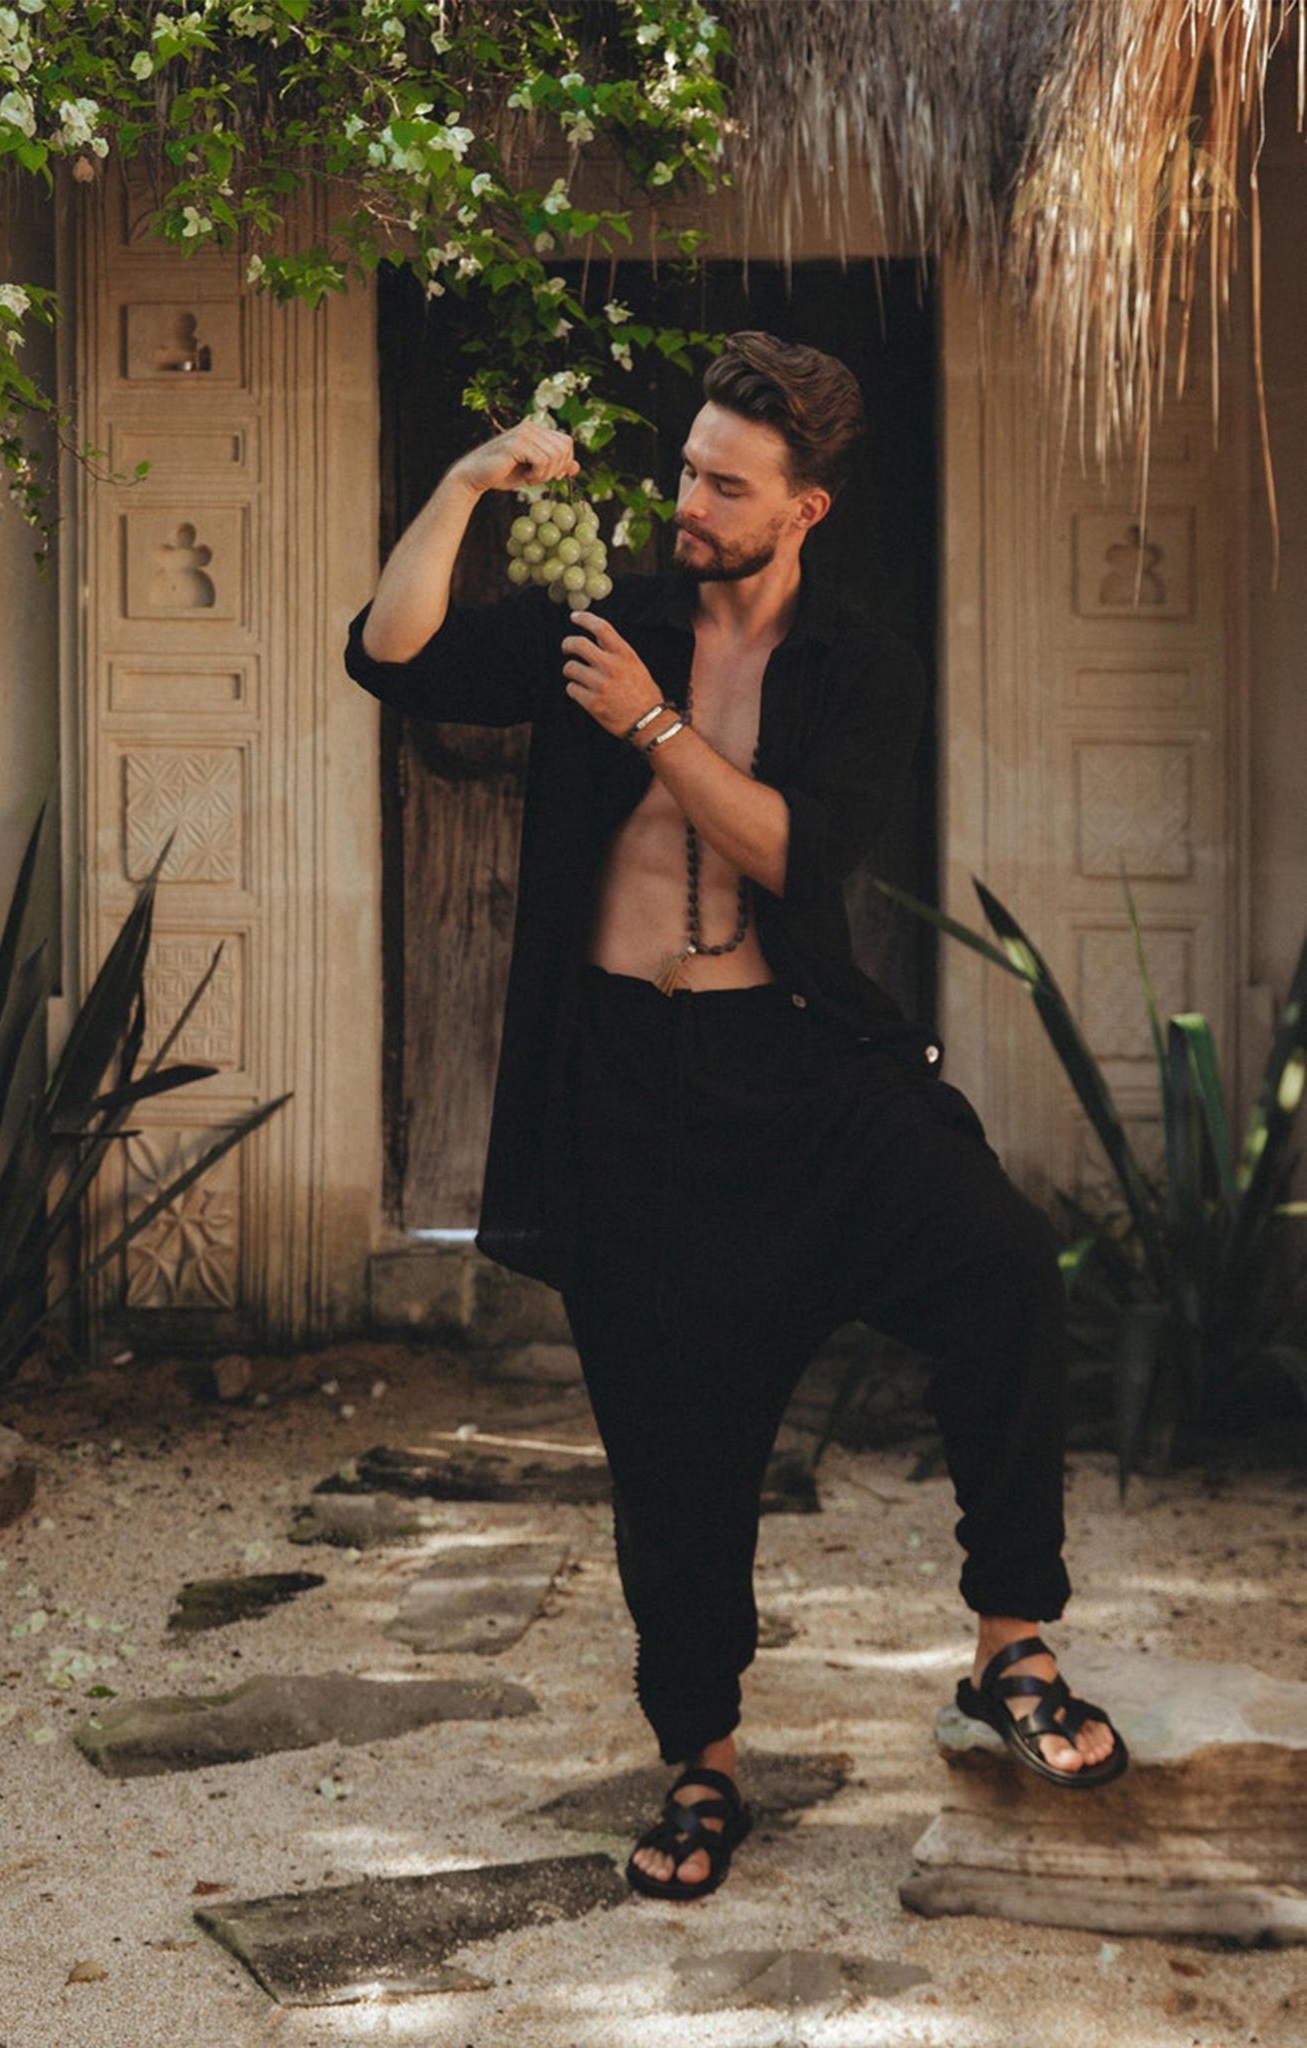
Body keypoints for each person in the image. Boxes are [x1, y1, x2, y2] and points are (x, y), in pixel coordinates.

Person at [346, 331, 1127, 1903]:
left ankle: (1007, 1643)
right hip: (626, 1082)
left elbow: (788, 850)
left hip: (804, 1059)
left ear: (806, 510)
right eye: (687, 472)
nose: (687, 504)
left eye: (725, 485)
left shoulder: (857, 666)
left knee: (997, 1266)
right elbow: (393, 655)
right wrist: (461, 482)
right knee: (671, 1442)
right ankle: (700, 1760)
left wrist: (646, 726)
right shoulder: (606, 619)